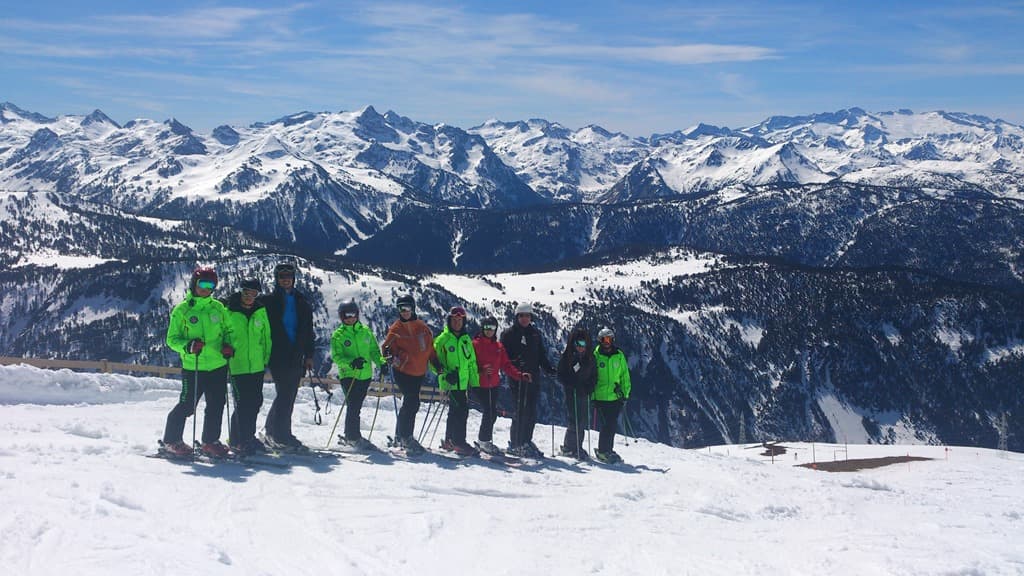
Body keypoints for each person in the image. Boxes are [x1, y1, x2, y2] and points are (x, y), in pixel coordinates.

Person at [161, 267, 233, 458]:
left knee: (217, 404)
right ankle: (171, 440)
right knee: (186, 405)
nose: (206, 288)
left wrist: (227, 345)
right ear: (194, 284)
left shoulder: (218, 307)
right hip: (194, 366)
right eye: (203, 284)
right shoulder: (182, 310)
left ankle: (210, 441)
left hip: (217, 365)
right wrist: (188, 346)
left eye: (211, 285)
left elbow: (228, 331)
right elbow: (171, 339)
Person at [262, 261, 315, 450]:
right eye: (282, 277)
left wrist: (309, 355)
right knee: (285, 394)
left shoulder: (301, 301)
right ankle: (280, 435)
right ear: (277, 279)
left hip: (296, 354)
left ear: (294, 279)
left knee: (289, 394)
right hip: (278, 353)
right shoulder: (268, 301)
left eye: (289, 277)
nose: (286, 280)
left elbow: (308, 330)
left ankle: (275, 430)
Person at [380, 294, 438, 456]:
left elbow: (430, 348)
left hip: (418, 372)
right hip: (403, 371)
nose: (404, 311)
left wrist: (436, 363)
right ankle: (406, 437)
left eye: (407, 308)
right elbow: (385, 349)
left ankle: (401, 435)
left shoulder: (422, 327)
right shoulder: (396, 329)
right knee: (412, 402)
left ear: (413, 308)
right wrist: (392, 358)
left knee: (410, 403)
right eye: (401, 308)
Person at [222, 278, 272, 455]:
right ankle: (237, 440)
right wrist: (224, 348)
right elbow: (220, 334)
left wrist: (265, 359)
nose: (250, 297)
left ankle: (248, 437)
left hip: (257, 366)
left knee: (255, 402)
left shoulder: (260, 311)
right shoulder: (228, 310)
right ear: (241, 291)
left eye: (254, 294)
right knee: (242, 404)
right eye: (246, 292)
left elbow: (266, 337)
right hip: (237, 365)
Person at [500, 302, 556, 458]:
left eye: (528, 316)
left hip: (533, 378)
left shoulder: (535, 334)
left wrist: (549, 369)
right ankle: (516, 443)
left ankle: (526, 441)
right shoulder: (508, 334)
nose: (525, 318)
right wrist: (515, 364)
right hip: (516, 378)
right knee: (520, 411)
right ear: (517, 317)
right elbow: (503, 357)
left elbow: (541, 355)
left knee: (531, 412)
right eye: (522, 316)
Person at [330, 300, 387, 451]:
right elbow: (336, 357)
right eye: (347, 315)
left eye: (353, 314)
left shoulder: (365, 331)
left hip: (365, 375)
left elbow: (374, 351)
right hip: (349, 375)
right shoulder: (338, 335)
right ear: (342, 317)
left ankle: (351, 435)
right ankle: (353, 437)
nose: (350, 318)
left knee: (356, 406)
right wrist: (351, 363)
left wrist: (381, 363)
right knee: (353, 405)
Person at [472, 315, 530, 455]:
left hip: (494, 384)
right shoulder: (474, 344)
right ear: (482, 328)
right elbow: (469, 364)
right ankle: (484, 441)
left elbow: (506, 365)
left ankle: (484, 441)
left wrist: (520, 375)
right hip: (479, 384)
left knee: (491, 413)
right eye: (486, 327)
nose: (489, 330)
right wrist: (480, 370)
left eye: (492, 328)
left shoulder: (498, 347)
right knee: (490, 412)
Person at [433, 306, 481, 456]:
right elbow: (434, 361)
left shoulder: (466, 340)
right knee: (461, 411)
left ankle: (449, 441)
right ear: (449, 320)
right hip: (450, 383)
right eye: (454, 320)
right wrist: (445, 375)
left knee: (455, 412)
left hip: (462, 383)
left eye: (460, 320)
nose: (457, 323)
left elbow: (472, 363)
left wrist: (475, 383)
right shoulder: (443, 339)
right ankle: (459, 442)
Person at [592, 327, 631, 464]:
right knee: (606, 425)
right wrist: (592, 396)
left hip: (615, 396)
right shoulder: (595, 356)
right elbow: (591, 377)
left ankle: (608, 449)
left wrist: (625, 394)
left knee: (612, 424)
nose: (606, 342)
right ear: (600, 341)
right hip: (600, 396)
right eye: (604, 339)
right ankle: (603, 450)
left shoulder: (619, 355)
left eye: (609, 339)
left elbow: (624, 375)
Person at [557, 327, 597, 460]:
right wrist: (570, 384)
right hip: (572, 393)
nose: (581, 347)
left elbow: (594, 376)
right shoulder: (568, 357)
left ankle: (577, 447)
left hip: (584, 393)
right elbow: (560, 375)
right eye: (578, 344)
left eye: (583, 344)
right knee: (574, 420)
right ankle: (569, 447)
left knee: (582, 421)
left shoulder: (590, 359)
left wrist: (589, 387)